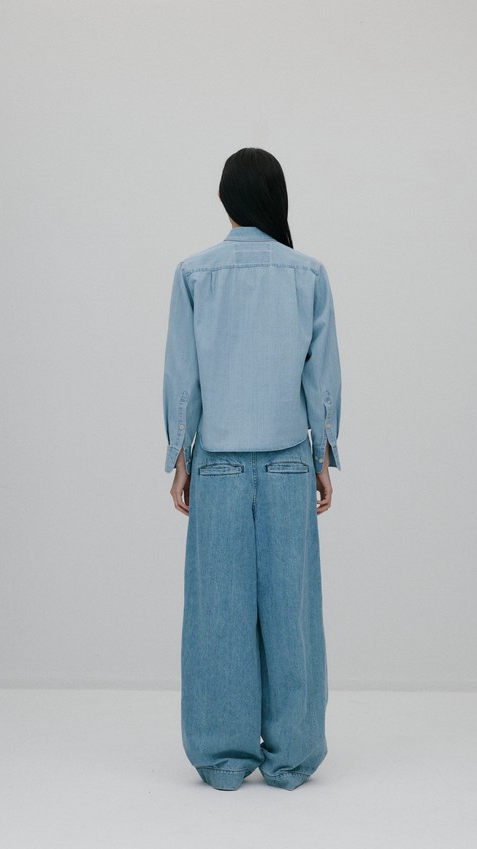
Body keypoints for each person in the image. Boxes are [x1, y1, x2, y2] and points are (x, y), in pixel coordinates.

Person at [162, 147, 342, 791]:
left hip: (218, 465)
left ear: (225, 199)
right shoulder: (308, 273)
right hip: (290, 459)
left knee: (218, 611)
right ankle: (293, 755)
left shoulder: (194, 273)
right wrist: (323, 454)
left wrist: (179, 455)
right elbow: (320, 375)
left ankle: (223, 757)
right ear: (275, 197)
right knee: (292, 610)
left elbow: (184, 376)